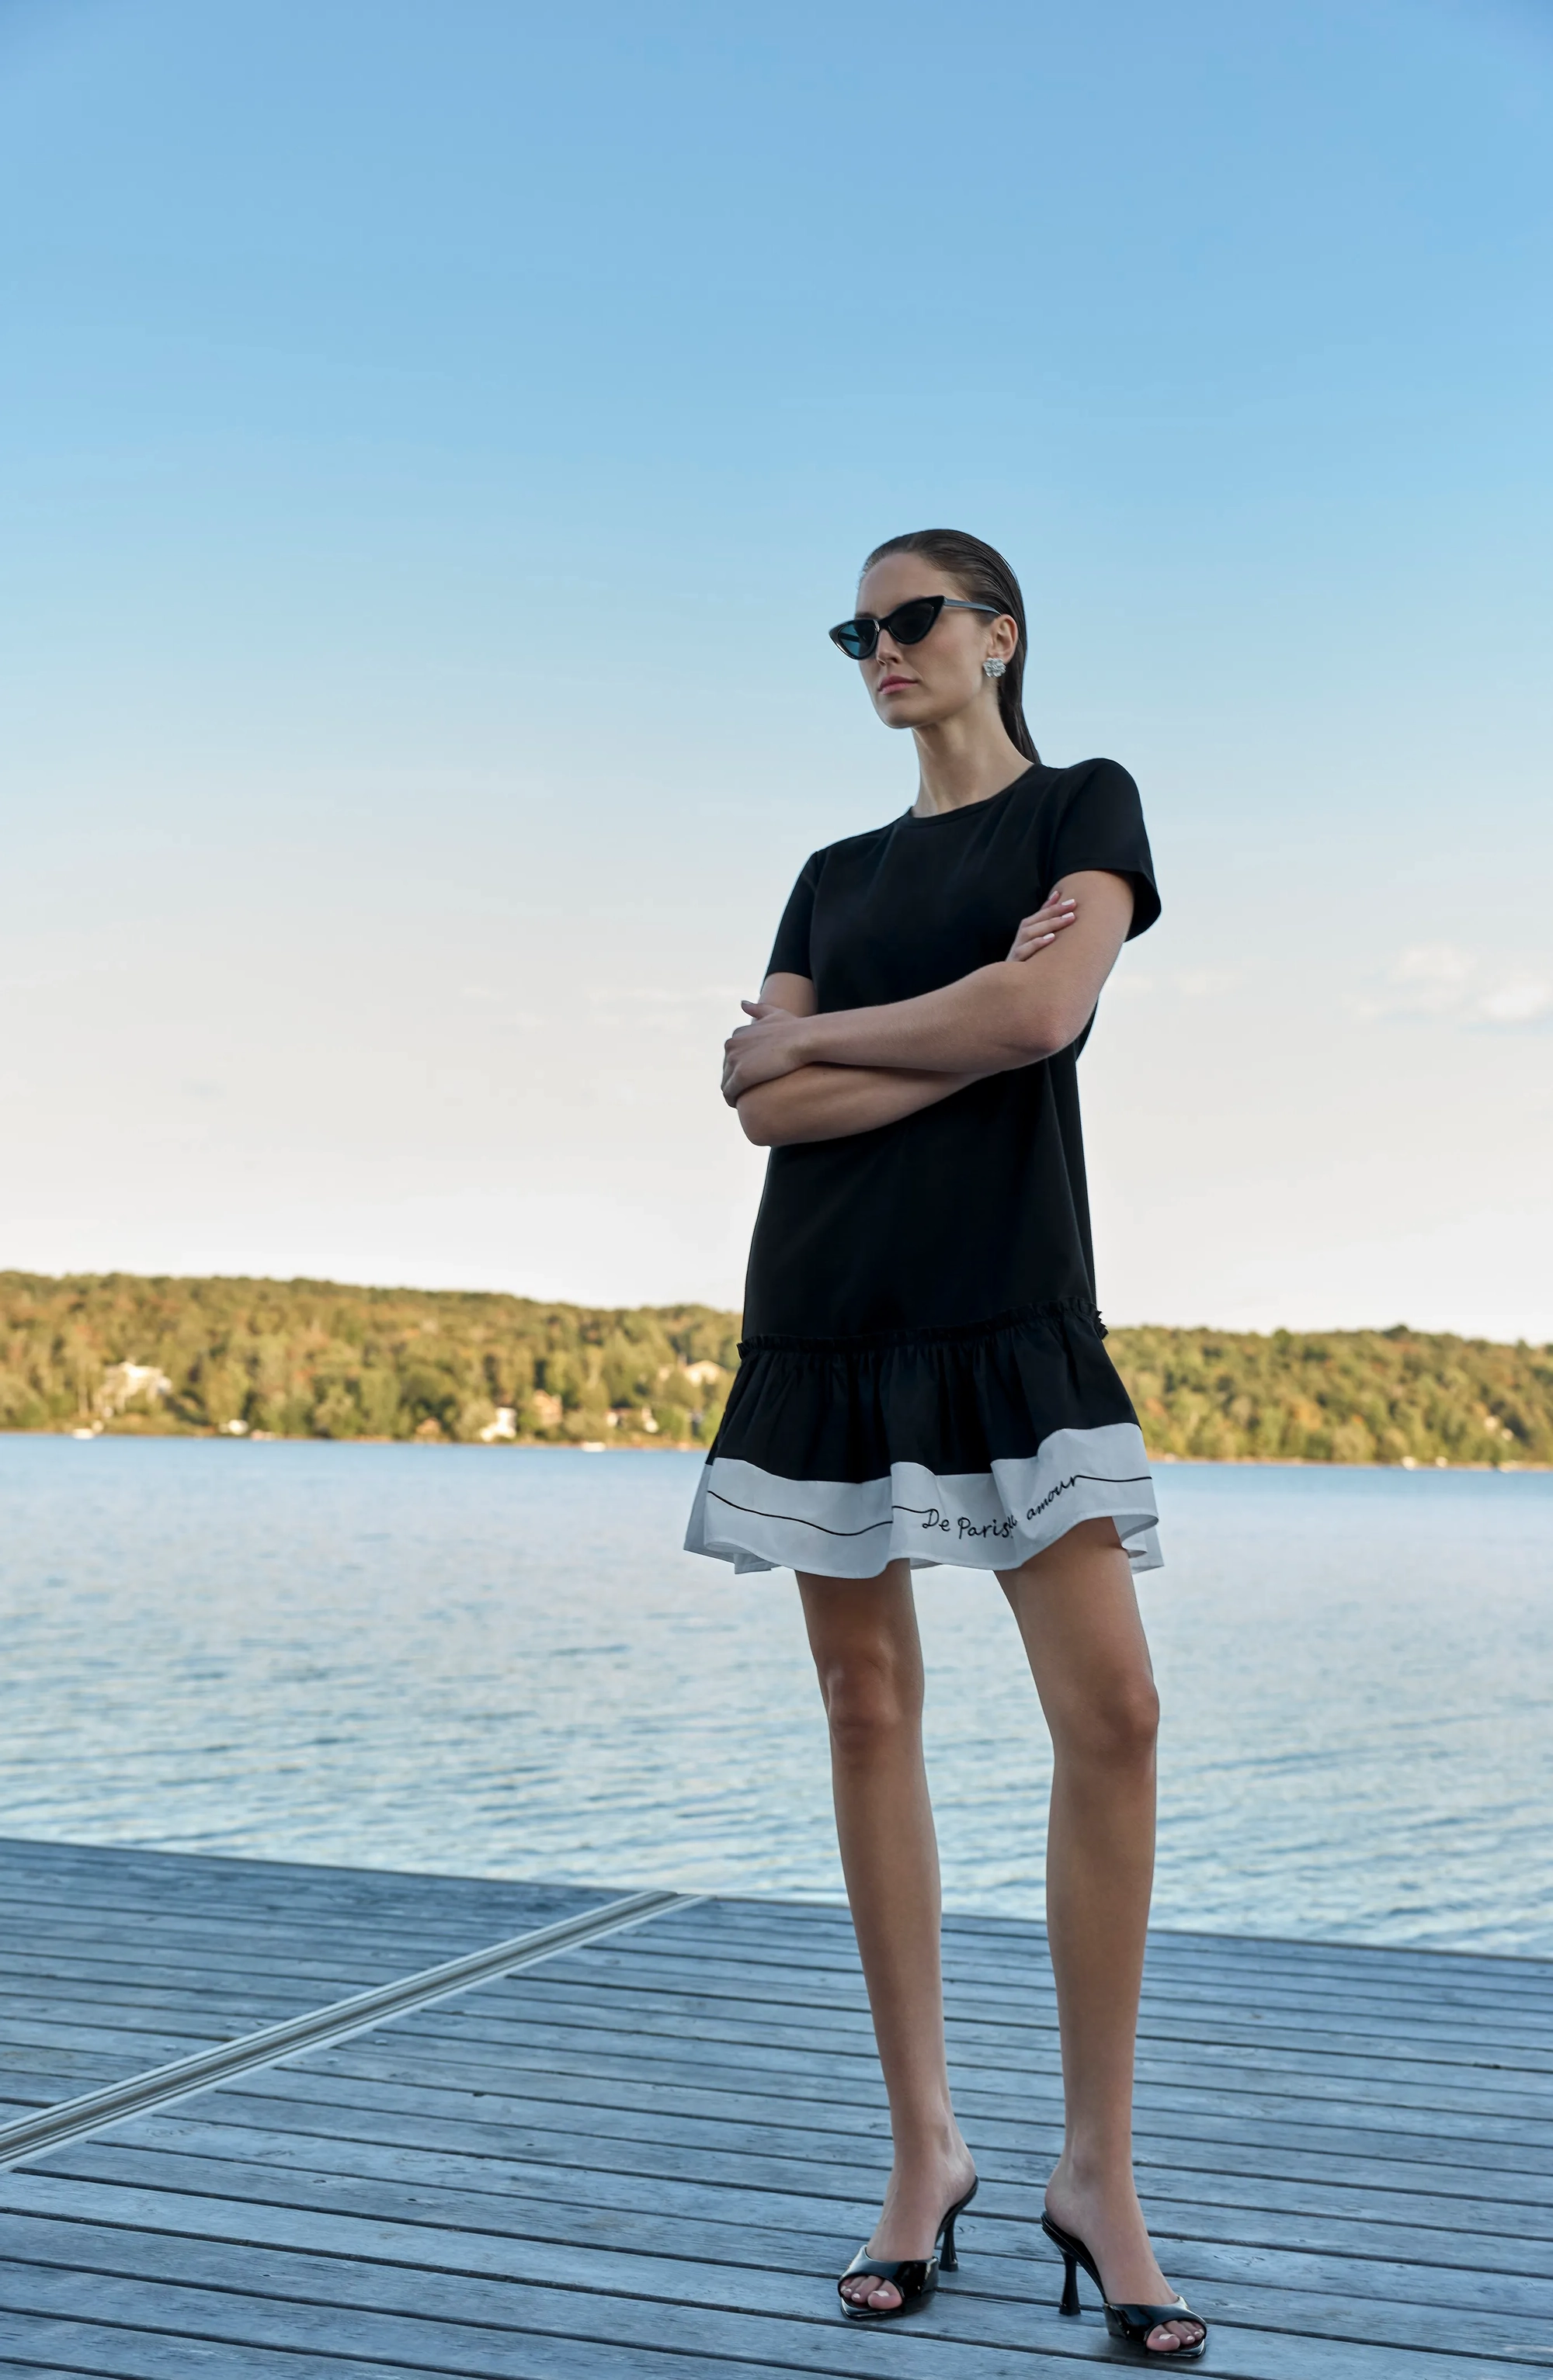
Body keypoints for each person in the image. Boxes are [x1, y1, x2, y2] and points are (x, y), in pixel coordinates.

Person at [685, 529, 1206, 2358]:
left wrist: (848, 1041)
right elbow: (762, 1109)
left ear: (999, 634)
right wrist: (960, 1024)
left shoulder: (1081, 807)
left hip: (1009, 1308)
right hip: (828, 1311)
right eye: (855, 630)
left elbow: (1043, 1011)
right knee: (864, 1708)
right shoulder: (829, 875)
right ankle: (926, 2153)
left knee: (1115, 1714)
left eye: (910, 619)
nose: (880, 649)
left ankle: (1096, 2174)